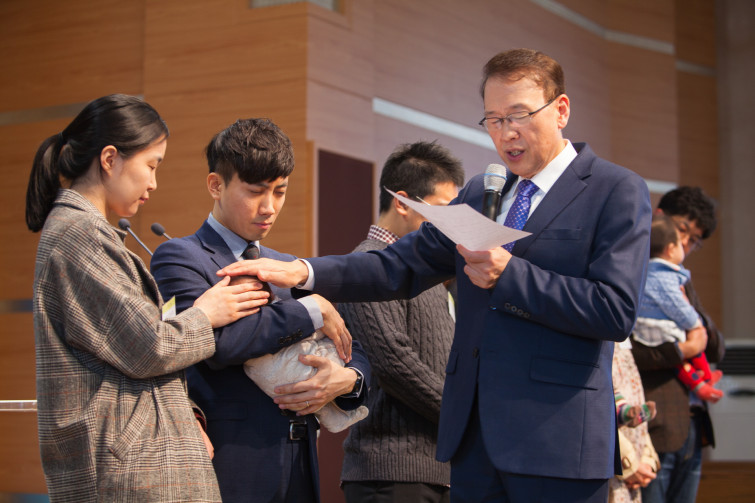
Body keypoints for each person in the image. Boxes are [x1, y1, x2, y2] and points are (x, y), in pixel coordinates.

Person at [220, 48, 653, 502]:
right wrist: (304, 270)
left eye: (519, 115)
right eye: (493, 119)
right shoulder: (483, 193)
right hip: (474, 446)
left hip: (557, 440)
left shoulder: (614, 190)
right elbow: (396, 264)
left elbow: (615, 310)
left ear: (560, 110)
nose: (506, 133)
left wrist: (510, 274)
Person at [25, 94, 268, 502]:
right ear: (109, 159)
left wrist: (185, 415)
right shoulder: (80, 235)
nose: (154, 183)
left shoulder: (85, 232)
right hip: (129, 471)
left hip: (135, 463)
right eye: (151, 165)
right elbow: (149, 346)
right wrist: (206, 314)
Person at [150, 117, 371, 503]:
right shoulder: (179, 257)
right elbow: (221, 344)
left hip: (302, 462)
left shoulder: (287, 265)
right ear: (216, 185)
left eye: (280, 191)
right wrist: (311, 310)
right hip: (232, 462)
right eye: (255, 192)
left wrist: (348, 379)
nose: (269, 207)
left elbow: (352, 344)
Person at [338, 141, 464, 503]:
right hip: (389, 472)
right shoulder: (366, 265)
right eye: (443, 210)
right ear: (403, 202)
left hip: (436, 468)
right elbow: (394, 364)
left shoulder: (429, 276)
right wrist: (464, 413)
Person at [632, 186, 725, 503]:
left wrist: (694, 320)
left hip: (693, 426)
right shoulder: (635, 272)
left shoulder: (679, 277)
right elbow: (626, 352)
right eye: (682, 229)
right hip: (654, 427)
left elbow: (717, 348)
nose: (685, 242)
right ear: (659, 217)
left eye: (694, 239)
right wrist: (683, 350)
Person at [634, 214, 723, 402]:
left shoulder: (645, 270)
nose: (685, 242)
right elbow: (677, 305)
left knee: (688, 354)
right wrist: (695, 324)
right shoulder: (663, 275)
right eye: (682, 233)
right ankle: (703, 382)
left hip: (650, 330)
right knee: (685, 353)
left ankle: (705, 379)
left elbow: (717, 348)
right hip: (657, 332)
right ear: (670, 249)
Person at [609, 340, 660, 503]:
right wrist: (629, 464)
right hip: (612, 472)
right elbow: (595, 410)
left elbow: (637, 399)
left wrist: (647, 458)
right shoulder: (597, 337)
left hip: (633, 476)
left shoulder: (623, 339)